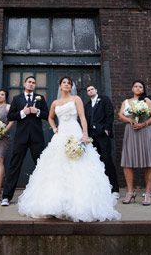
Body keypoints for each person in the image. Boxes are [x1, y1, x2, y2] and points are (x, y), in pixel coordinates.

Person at [17, 77, 121, 222]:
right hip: (61, 135)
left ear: (71, 87)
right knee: (56, 167)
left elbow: (83, 117)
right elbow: (50, 117)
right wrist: (54, 128)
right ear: (60, 86)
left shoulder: (76, 99)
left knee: (79, 165)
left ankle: (79, 204)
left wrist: (84, 134)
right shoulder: (55, 102)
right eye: (64, 83)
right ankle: (53, 205)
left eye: (69, 83)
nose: (66, 85)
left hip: (75, 132)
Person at [0, 76, 49, 206]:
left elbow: (47, 115)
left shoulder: (40, 98)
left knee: (41, 166)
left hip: (37, 138)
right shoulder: (17, 99)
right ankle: (6, 197)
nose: (31, 84)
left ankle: (45, 195)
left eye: (34, 83)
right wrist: (23, 112)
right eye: (29, 82)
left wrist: (36, 111)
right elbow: (10, 116)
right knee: (14, 166)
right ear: (24, 83)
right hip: (21, 138)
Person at [118, 80, 151, 206]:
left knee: (149, 162)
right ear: (132, 89)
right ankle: (130, 192)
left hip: (147, 131)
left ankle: (148, 194)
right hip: (131, 132)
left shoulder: (147, 101)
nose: (138, 88)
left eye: (140, 87)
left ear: (143, 90)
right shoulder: (126, 102)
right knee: (127, 163)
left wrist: (144, 123)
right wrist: (130, 120)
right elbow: (120, 115)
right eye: (135, 86)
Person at [84, 85, 120, 197]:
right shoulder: (87, 105)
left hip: (103, 135)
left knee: (107, 159)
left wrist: (107, 129)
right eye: (88, 90)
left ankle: (115, 189)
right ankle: (101, 188)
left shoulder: (104, 99)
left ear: (96, 90)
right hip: (92, 136)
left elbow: (110, 114)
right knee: (95, 161)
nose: (90, 91)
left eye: (92, 89)